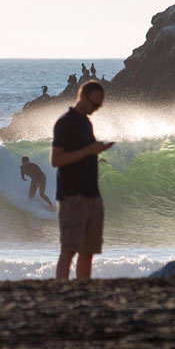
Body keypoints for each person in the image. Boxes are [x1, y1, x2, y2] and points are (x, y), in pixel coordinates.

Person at [50, 80, 113, 280]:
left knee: (88, 251)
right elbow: (56, 159)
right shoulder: (65, 123)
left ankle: (83, 291)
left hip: (92, 194)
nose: (96, 109)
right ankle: (61, 289)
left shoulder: (87, 123)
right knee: (69, 250)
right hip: (72, 196)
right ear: (82, 98)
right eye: (94, 104)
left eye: (99, 106)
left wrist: (98, 151)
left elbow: (85, 153)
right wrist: (89, 150)